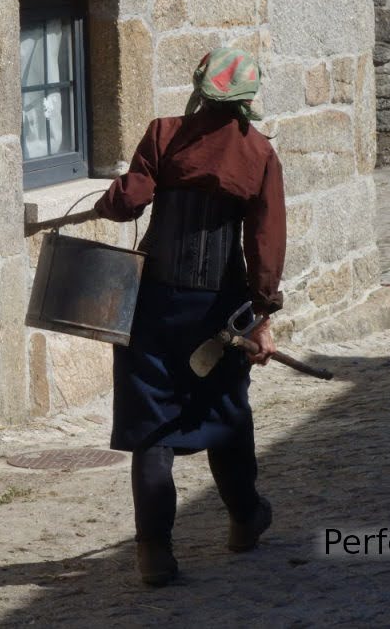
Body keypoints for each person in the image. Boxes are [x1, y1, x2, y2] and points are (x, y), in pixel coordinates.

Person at [95, 46, 286, 586]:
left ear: (201, 86)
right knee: (225, 411)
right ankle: (246, 517)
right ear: (247, 96)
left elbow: (130, 200)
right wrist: (262, 315)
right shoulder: (258, 153)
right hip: (218, 311)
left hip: (151, 304)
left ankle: (154, 551)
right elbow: (266, 244)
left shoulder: (165, 133)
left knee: (152, 420)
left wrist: (109, 201)